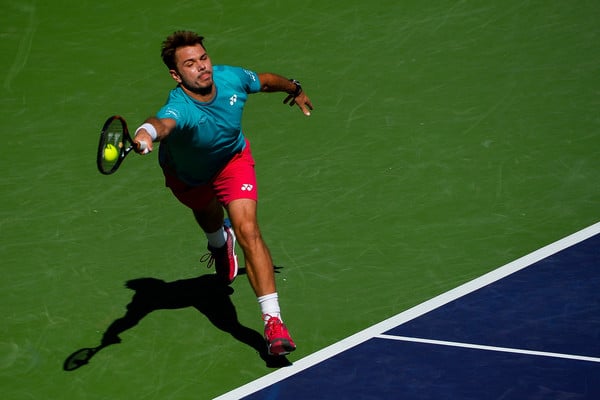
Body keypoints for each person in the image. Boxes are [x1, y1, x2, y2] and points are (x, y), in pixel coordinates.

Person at [132, 31, 313, 356]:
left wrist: (294, 88)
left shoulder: (230, 77)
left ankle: (273, 322)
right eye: (190, 64)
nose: (202, 67)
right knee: (208, 215)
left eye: (203, 58)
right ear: (176, 75)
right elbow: (160, 124)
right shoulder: (180, 108)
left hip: (232, 162)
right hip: (186, 175)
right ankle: (219, 242)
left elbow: (266, 80)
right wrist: (145, 134)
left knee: (249, 231)